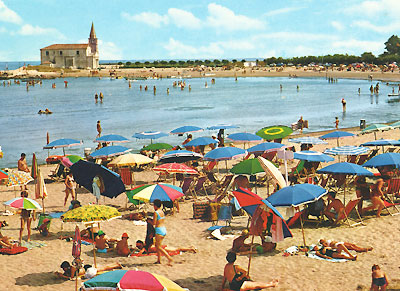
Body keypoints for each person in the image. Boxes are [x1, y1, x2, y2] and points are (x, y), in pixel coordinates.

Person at [152, 199, 173, 265]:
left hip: (158, 230)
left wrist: (149, 221)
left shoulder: (156, 213)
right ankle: (159, 260)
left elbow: (154, 223)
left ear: (155, 206)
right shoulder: (162, 212)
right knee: (158, 245)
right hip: (163, 229)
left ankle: (169, 258)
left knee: (158, 247)